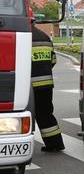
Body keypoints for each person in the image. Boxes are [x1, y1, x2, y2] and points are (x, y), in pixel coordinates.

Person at [31, 23, 65, 152]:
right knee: (45, 114)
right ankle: (55, 143)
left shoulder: (23, 36)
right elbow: (53, 60)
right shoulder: (44, 37)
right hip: (46, 83)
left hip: (28, 85)